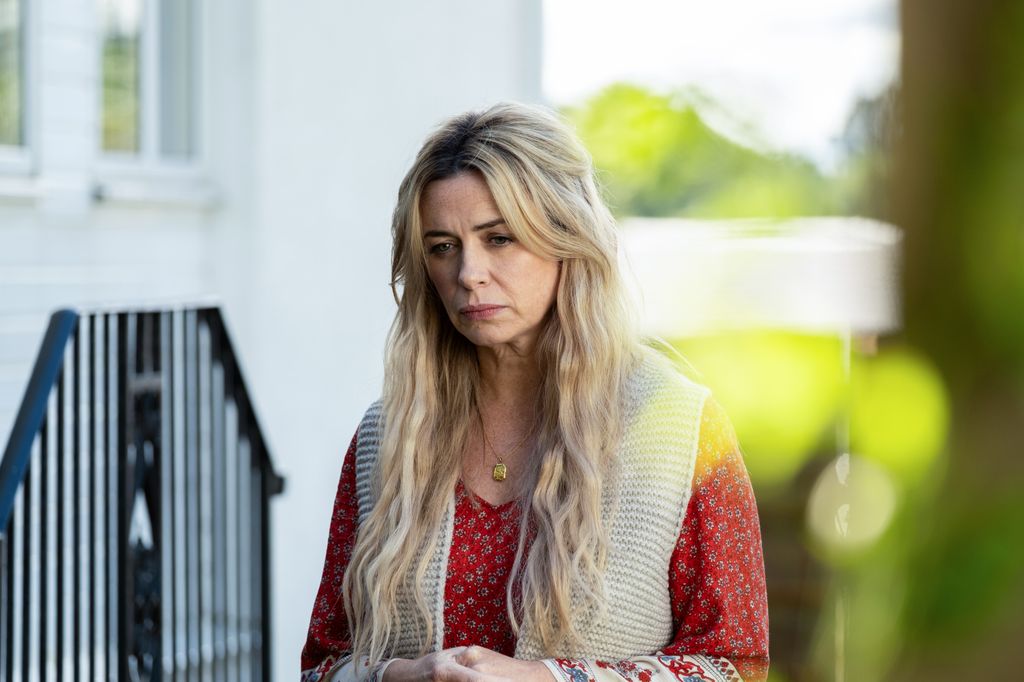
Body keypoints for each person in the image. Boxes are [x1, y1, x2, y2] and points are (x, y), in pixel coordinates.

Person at [301, 102, 769, 682]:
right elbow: (323, 664)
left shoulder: (679, 427)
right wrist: (401, 675)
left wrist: (546, 677)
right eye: (443, 246)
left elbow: (733, 666)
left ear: (566, 239)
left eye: (499, 238)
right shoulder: (388, 434)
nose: (468, 273)